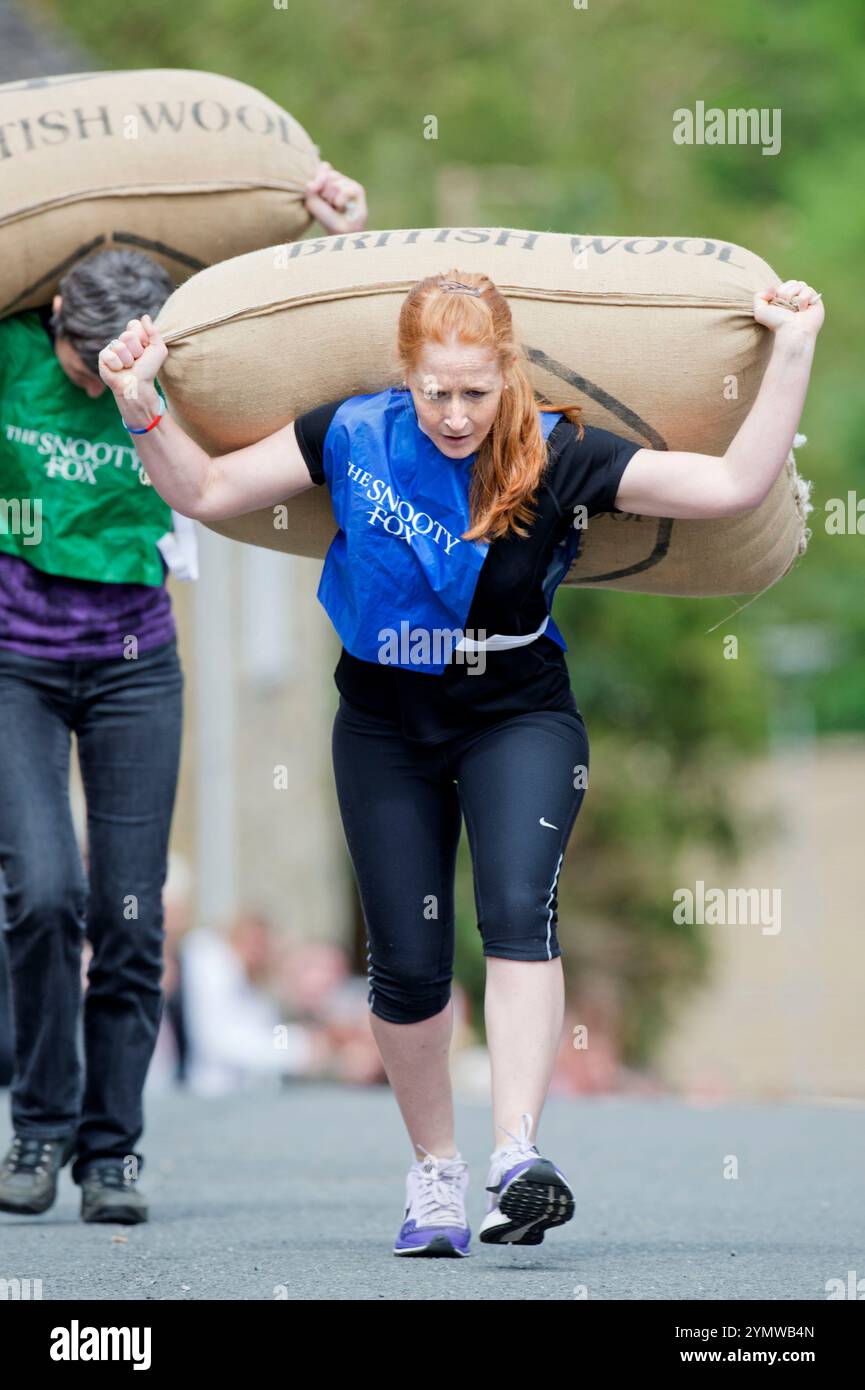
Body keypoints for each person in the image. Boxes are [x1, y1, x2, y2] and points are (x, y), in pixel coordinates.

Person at [94, 268, 823, 1254]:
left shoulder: (558, 454)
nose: (452, 412)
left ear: (505, 374)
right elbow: (210, 488)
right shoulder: (349, 433)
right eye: (434, 389)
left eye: (474, 391)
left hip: (517, 712)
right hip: (385, 722)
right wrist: (141, 404)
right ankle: (433, 1167)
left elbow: (730, 485)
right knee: (405, 964)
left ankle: (514, 1155)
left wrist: (792, 349)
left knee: (519, 910)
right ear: (406, 375)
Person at [0, 160, 368, 1227]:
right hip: (15, 662)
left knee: (127, 909)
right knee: (42, 891)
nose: (89, 380)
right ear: (55, 310)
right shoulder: (15, 353)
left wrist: (338, 227)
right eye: (80, 356)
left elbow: (305, 346)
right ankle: (38, 1124)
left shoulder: (171, 379)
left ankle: (111, 1154)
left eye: (110, 367)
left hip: (132, 663)